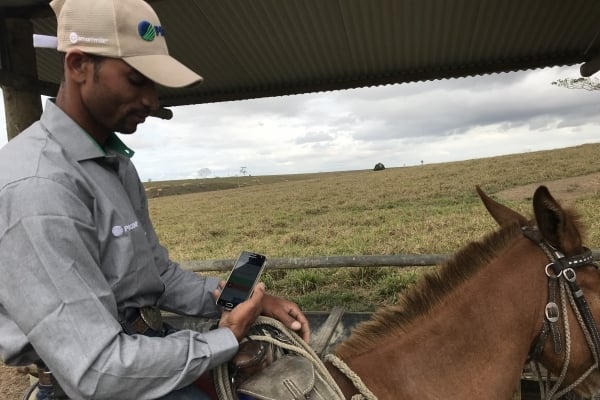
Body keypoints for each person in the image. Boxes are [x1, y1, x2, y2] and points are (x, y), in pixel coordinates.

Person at [0, 0, 310, 399]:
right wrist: (226, 336)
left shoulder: (113, 163)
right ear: (78, 65)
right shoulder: (39, 185)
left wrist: (230, 300)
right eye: (136, 80)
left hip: (149, 348)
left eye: (154, 84)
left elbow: (154, 274)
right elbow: (99, 370)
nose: (151, 99)